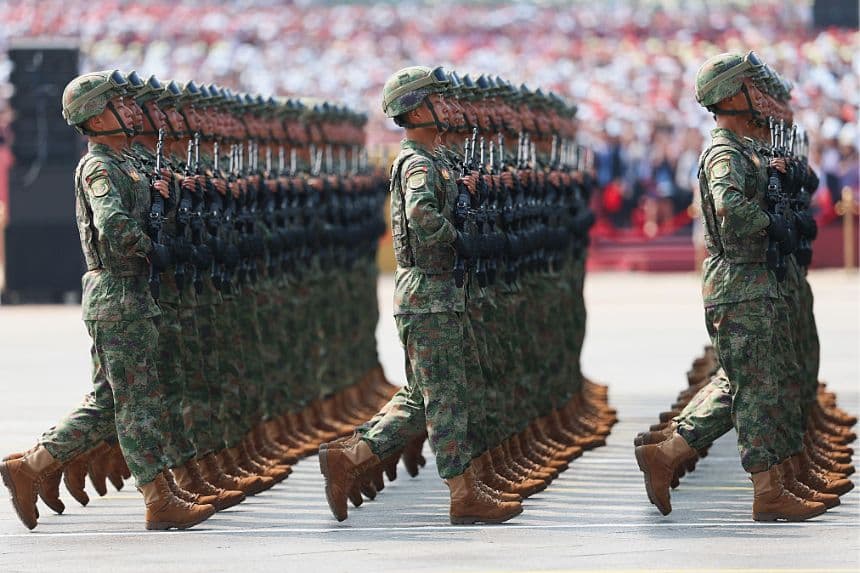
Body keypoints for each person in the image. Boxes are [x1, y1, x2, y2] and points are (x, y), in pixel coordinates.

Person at [0, 70, 215, 531]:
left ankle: (32, 466)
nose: (132, 108)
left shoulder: (126, 163)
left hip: (130, 292)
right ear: (96, 120)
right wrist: (153, 247)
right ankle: (159, 498)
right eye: (118, 102)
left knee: (109, 403)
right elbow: (113, 227)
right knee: (138, 402)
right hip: (119, 291)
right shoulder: (99, 167)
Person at [319, 66, 522, 525]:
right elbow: (421, 213)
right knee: (445, 398)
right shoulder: (417, 163)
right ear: (415, 108)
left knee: (426, 395)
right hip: (429, 292)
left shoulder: (432, 159)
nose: (448, 107)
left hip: (438, 291)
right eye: (437, 99)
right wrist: (459, 239)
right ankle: (463, 492)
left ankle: (350, 458)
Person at [633, 52, 826, 523]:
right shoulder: (725, 153)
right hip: (740, 282)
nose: (761, 98)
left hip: (756, 279)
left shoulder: (745, 149)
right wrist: (770, 223)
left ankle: (671, 454)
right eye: (751, 89)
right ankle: (767, 489)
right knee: (755, 386)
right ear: (731, 96)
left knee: (754, 379)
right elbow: (728, 208)